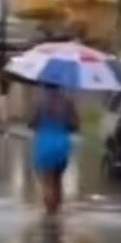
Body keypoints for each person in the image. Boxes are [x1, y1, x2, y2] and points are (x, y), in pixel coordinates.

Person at [29, 83, 79, 215]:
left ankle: (50, 215)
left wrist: (40, 123)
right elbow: (75, 126)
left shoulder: (39, 102)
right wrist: (64, 125)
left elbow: (31, 124)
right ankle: (56, 213)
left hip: (45, 143)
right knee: (57, 181)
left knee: (47, 183)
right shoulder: (68, 102)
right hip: (62, 143)